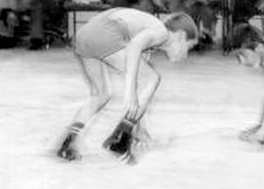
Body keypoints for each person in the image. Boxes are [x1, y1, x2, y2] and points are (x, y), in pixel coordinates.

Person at [57, 9, 198, 163]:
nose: (186, 55)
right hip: (104, 31)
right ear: (181, 35)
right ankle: (119, 141)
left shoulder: (149, 38)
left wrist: (141, 129)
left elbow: (140, 89)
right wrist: (130, 93)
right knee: (152, 78)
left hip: (84, 35)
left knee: (102, 94)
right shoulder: (161, 32)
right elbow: (135, 46)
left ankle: (68, 142)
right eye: (189, 47)